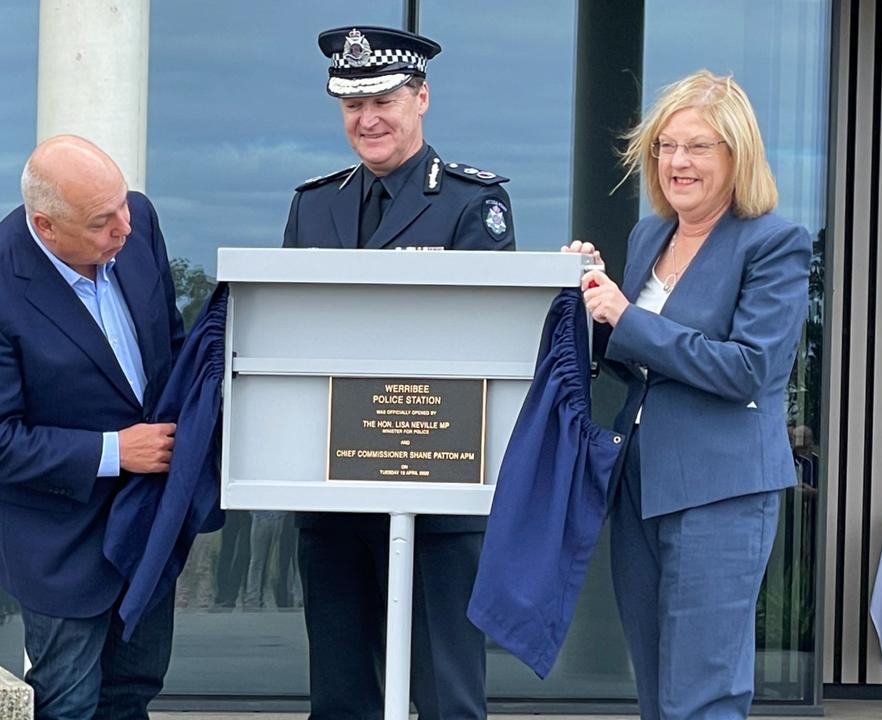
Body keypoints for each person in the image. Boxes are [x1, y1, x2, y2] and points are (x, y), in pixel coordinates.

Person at [284, 26, 515, 720]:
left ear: (422, 99)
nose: (368, 120)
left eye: (383, 100)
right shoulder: (313, 204)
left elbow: (484, 342)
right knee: (340, 698)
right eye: (353, 106)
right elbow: (293, 334)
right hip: (333, 486)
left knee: (446, 697)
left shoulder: (474, 204)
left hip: (437, 480)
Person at [566, 70, 810, 720]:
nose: (678, 162)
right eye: (666, 146)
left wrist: (628, 317)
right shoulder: (652, 237)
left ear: (737, 155)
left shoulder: (773, 244)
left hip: (720, 493)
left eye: (699, 146)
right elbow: (644, 365)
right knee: (656, 690)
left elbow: (748, 369)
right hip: (641, 486)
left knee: (701, 696)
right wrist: (587, 303)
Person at [0, 135, 185, 720]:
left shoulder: (137, 221)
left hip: (149, 522)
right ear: (46, 227)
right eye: (103, 222)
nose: (123, 227)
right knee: (68, 704)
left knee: (133, 694)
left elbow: (168, 342)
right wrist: (114, 451)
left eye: (123, 205)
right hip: (59, 542)